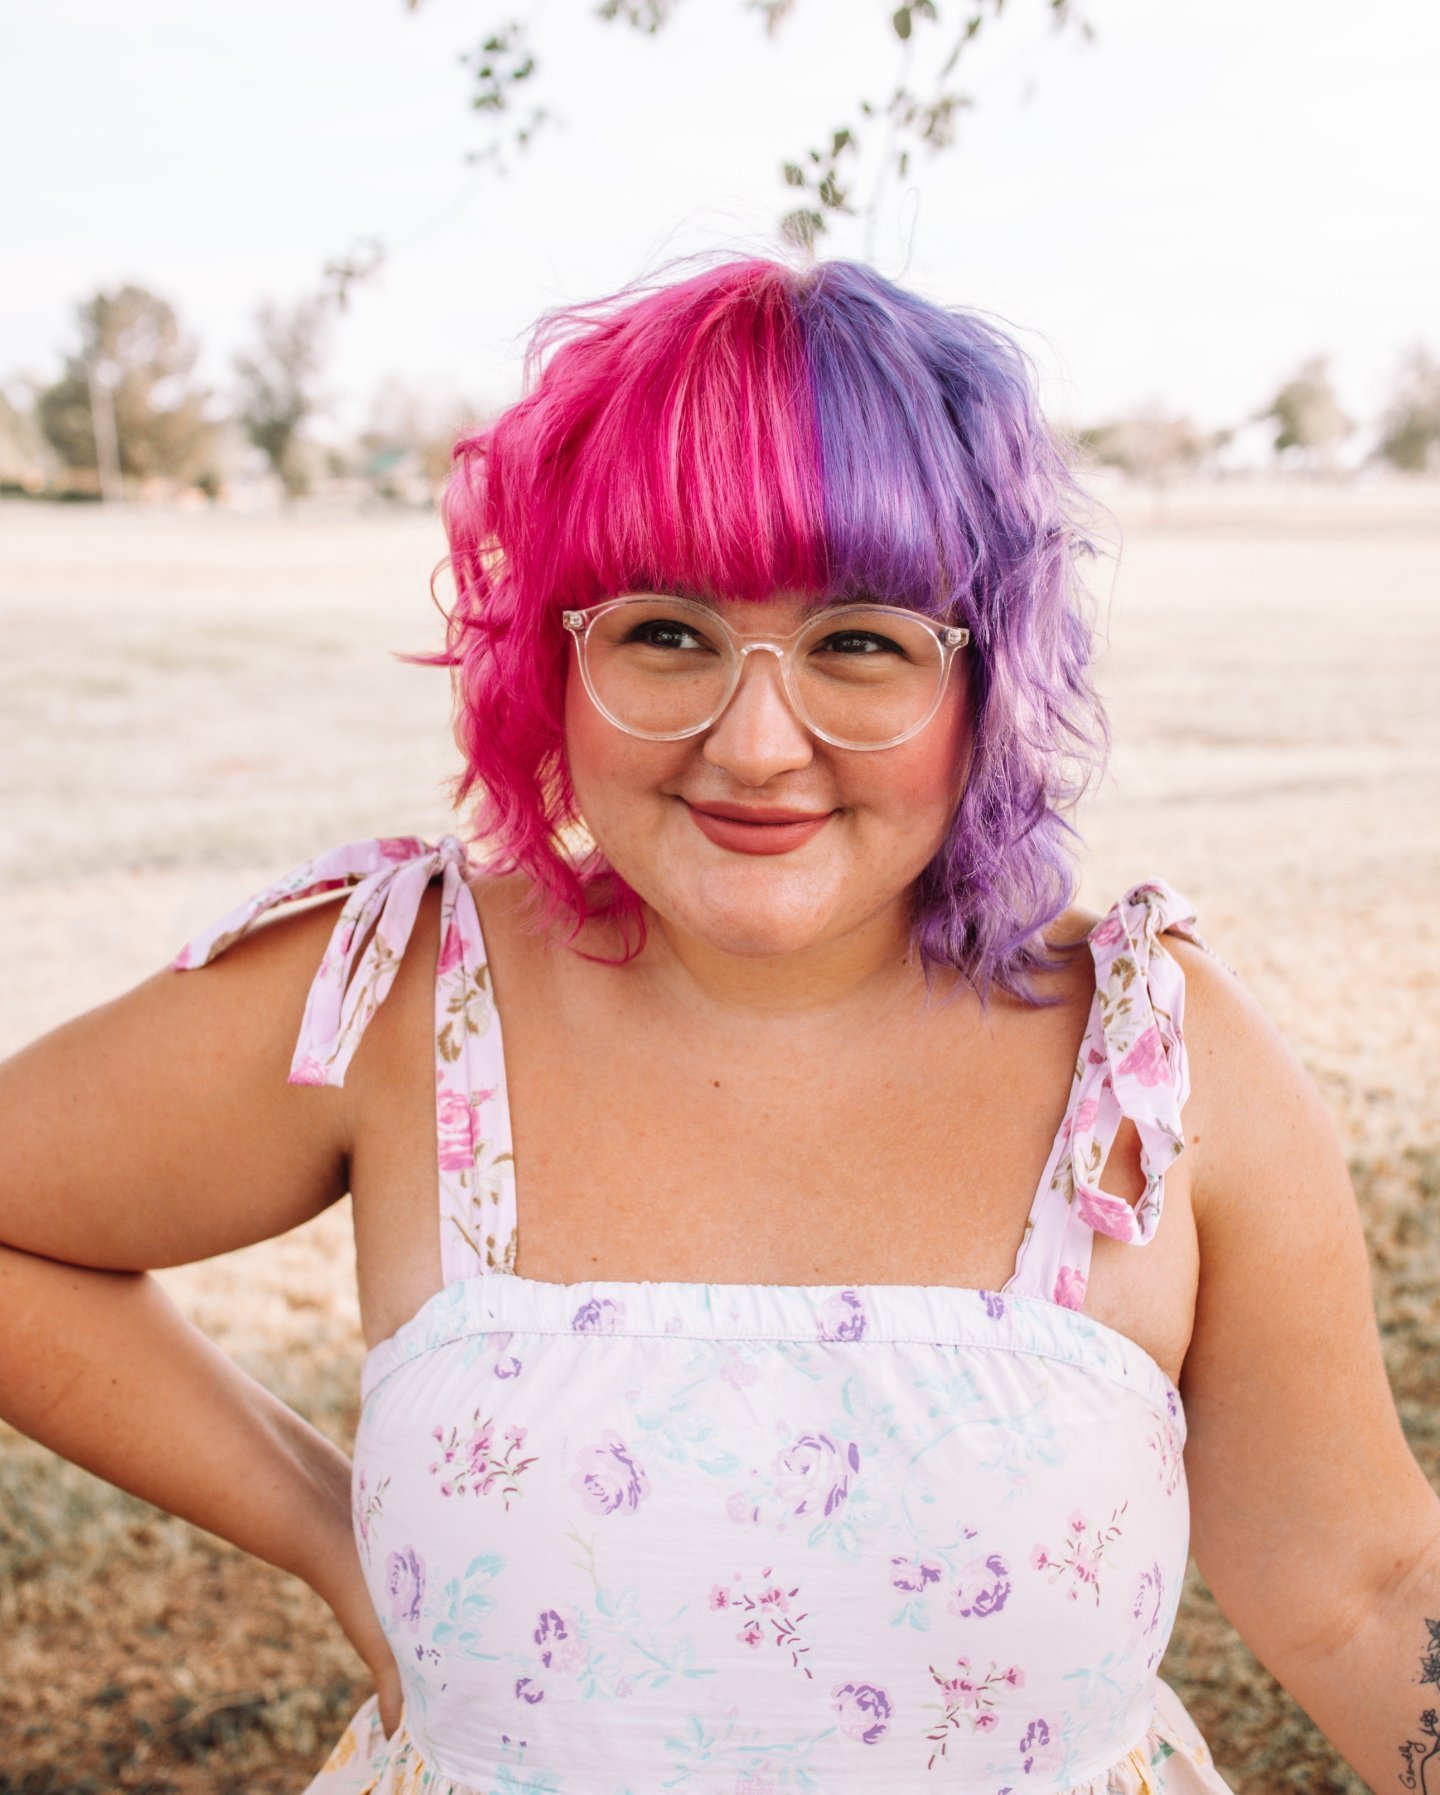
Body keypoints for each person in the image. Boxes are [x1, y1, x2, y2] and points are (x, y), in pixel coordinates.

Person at [0, 254, 1434, 1795]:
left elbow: (1359, 1588)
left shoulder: (1155, 1063)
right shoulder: (402, 992)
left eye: (861, 641)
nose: (755, 745)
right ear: (556, 660)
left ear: (988, 681)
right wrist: (324, 1528)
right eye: (667, 632)